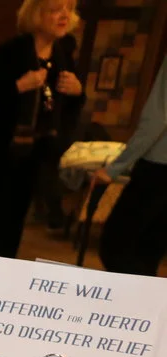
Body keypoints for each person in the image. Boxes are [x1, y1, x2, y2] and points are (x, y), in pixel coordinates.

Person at [0, 0, 83, 262]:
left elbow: (62, 109)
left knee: (11, 231)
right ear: (37, 14)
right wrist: (17, 86)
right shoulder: (11, 51)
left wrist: (77, 92)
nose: (64, 15)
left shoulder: (62, 55)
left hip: (31, 157)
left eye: (69, 9)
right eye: (56, 9)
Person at [93, 52, 167, 276]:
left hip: (158, 167)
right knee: (149, 251)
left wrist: (115, 168)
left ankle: (131, 298)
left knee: (116, 247)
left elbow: (158, 118)